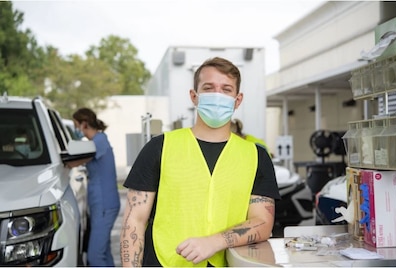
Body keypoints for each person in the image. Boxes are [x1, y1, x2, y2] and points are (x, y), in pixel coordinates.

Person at [120, 57, 281, 267]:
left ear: (238, 99)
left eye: (226, 89)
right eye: (208, 88)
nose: (217, 95)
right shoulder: (160, 147)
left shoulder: (256, 156)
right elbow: (134, 221)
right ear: (194, 97)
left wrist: (214, 242)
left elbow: (262, 222)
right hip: (164, 261)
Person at [71, 108, 120, 267]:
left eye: (76, 125)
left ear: (84, 124)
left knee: (95, 256)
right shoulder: (99, 140)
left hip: (104, 205)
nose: (76, 129)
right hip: (103, 205)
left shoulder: (98, 142)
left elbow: (74, 162)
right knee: (103, 252)